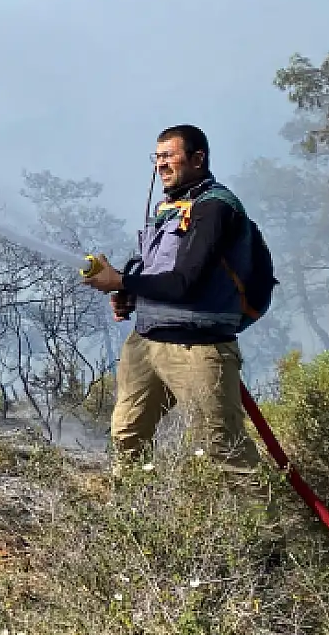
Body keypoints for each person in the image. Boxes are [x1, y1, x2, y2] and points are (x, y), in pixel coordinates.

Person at [81, 124, 262, 473]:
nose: (161, 164)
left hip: (198, 348)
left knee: (224, 449)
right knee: (127, 437)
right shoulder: (169, 209)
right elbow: (159, 272)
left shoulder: (215, 209)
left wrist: (119, 280)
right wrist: (129, 293)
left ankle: (270, 527)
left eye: (169, 155)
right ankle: (130, 517)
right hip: (146, 343)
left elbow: (184, 284)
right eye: (157, 156)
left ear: (198, 158)